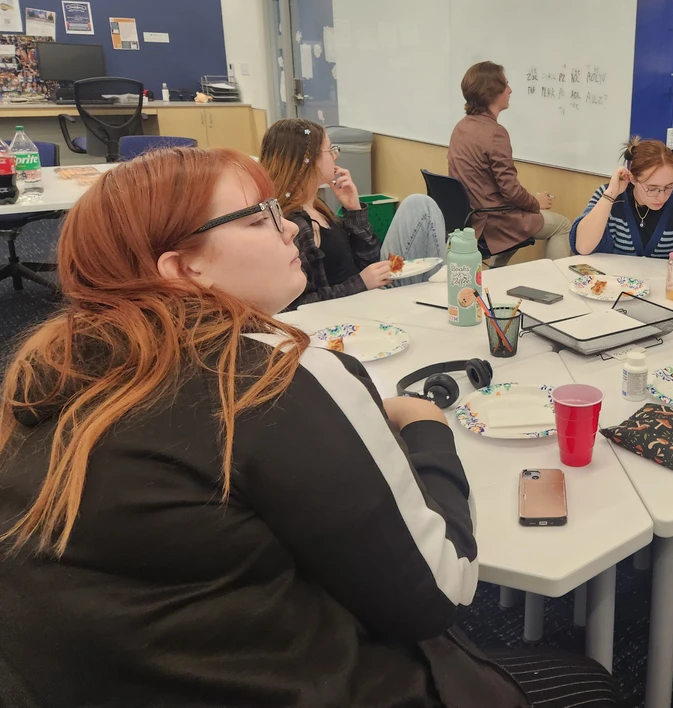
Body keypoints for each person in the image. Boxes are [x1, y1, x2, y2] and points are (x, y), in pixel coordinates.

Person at [0, 147, 618, 707]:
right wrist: (428, 430)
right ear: (181, 269)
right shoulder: (271, 384)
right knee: (591, 684)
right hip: (304, 682)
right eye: (256, 219)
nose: (290, 225)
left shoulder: (58, 373)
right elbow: (443, 589)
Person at [260, 119, 446, 307]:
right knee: (421, 208)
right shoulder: (296, 224)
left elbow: (369, 260)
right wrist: (361, 283)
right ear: (309, 161)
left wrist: (354, 210)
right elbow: (300, 304)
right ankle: (442, 299)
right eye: (330, 150)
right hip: (356, 302)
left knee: (419, 205)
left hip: (367, 289)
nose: (336, 156)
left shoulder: (316, 206)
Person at [447, 61, 572, 266]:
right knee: (563, 225)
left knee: (524, 220)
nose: (510, 90)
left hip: (470, 219)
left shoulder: (461, 127)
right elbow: (511, 191)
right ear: (492, 92)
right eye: (506, 85)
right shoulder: (496, 133)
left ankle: (495, 273)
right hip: (494, 221)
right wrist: (535, 202)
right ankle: (556, 282)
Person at [571, 137, 673, 260]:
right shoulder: (609, 195)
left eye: (669, 187)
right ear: (633, 178)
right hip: (615, 284)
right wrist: (611, 194)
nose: (661, 196)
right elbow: (583, 247)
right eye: (652, 188)